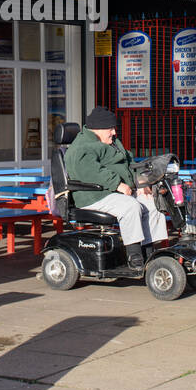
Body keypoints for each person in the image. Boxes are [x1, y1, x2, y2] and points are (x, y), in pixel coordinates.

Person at [63, 106, 168, 270]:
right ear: (98, 128)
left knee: (153, 203)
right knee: (130, 206)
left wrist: (141, 183)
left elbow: (130, 162)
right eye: (110, 128)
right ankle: (134, 255)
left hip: (114, 193)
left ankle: (149, 250)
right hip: (94, 195)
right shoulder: (81, 147)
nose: (114, 132)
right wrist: (118, 185)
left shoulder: (111, 143)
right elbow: (89, 171)